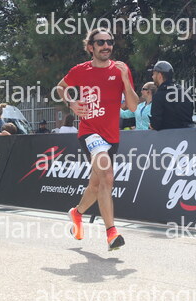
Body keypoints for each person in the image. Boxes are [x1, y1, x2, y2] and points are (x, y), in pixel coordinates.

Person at [56, 28, 138, 251]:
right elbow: (60, 87)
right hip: (90, 133)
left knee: (95, 184)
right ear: (90, 47)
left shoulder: (121, 69)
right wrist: (71, 103)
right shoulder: (80, 70)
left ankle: (77, 213)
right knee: (108, 176)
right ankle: (111, 233)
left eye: (109, 42)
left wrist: (125, 80)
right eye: (101, 42)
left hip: (112, 137)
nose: (106, 46)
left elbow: (133, 106)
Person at [149, 60, 194, 130]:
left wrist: (151, 125)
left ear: (159, 75)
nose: (152, 77)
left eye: (154, 74)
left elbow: (155, 125)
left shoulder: (159, 95)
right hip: (188, 134)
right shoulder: (185, 92)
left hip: (168, 135)